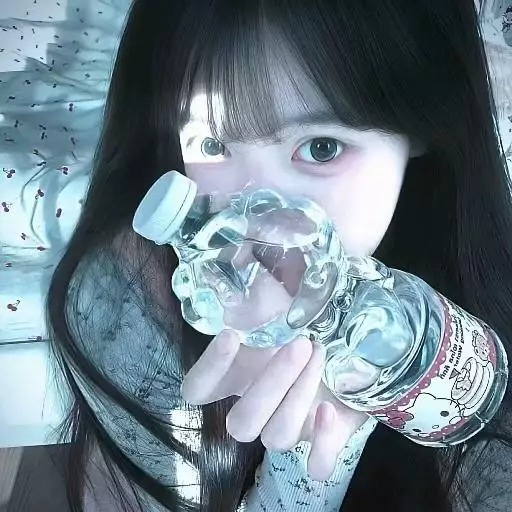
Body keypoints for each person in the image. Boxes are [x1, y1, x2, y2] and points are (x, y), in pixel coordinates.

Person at [46, 0, 512, 510]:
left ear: (421, 126)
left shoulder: (481, 298)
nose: (260, 222)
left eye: (321, 148)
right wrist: (307, 468)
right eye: (213, 144)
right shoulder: (124, 304)